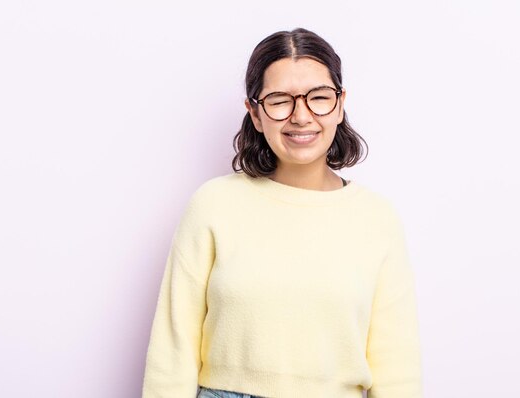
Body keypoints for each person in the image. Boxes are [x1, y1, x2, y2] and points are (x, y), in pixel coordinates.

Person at [141, 28, 422, 398]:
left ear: (340, 104)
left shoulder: (377, 219)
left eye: (319, 98)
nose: (301, 116)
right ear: (255, 114)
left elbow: (397, 367)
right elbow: (172, 351)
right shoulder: (213, 205)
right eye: (279, 100)